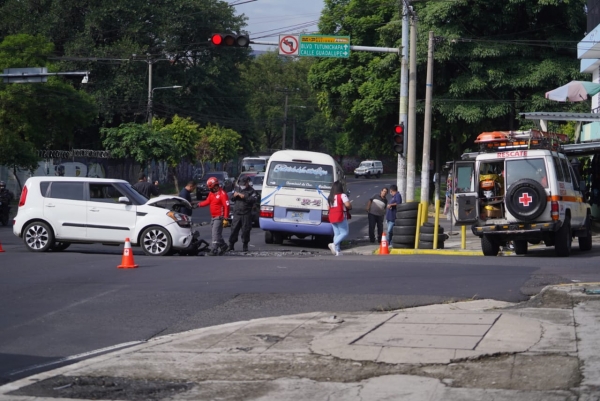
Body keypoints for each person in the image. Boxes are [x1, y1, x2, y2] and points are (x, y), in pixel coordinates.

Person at [198, 176, 230, 256]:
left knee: (215, 233)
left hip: (219, 217)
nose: (210, 189)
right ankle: (223, 246)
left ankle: (214, 249)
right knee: (217, 233)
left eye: (211, 188)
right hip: (213, 217)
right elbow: (207, 201)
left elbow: (227, 206)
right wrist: (198, 205)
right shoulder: (211, 194)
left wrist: (226, 218)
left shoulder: (223, 194)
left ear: (215, 186)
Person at [228, 176, 258, 252]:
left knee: (246, 230)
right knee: (234, 229)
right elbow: (231, 197)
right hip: (237, 213)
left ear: (247, 183)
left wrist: (244, 196)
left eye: (244, 184)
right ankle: (231, 245)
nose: (243, 186)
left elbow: (254, 199)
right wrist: (234, 196)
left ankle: (245, 245)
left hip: (246, 214)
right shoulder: (237, 189)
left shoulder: (252, 191)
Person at [327, 180, 352, 256]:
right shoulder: (342, 195)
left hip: (332, 216)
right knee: (344, 233)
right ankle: (334, 244)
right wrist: (350, 206)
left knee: (337, 234)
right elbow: (347, 205)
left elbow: (328, 208)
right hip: (340, 216)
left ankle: (337, 250)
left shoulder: (330, 197)